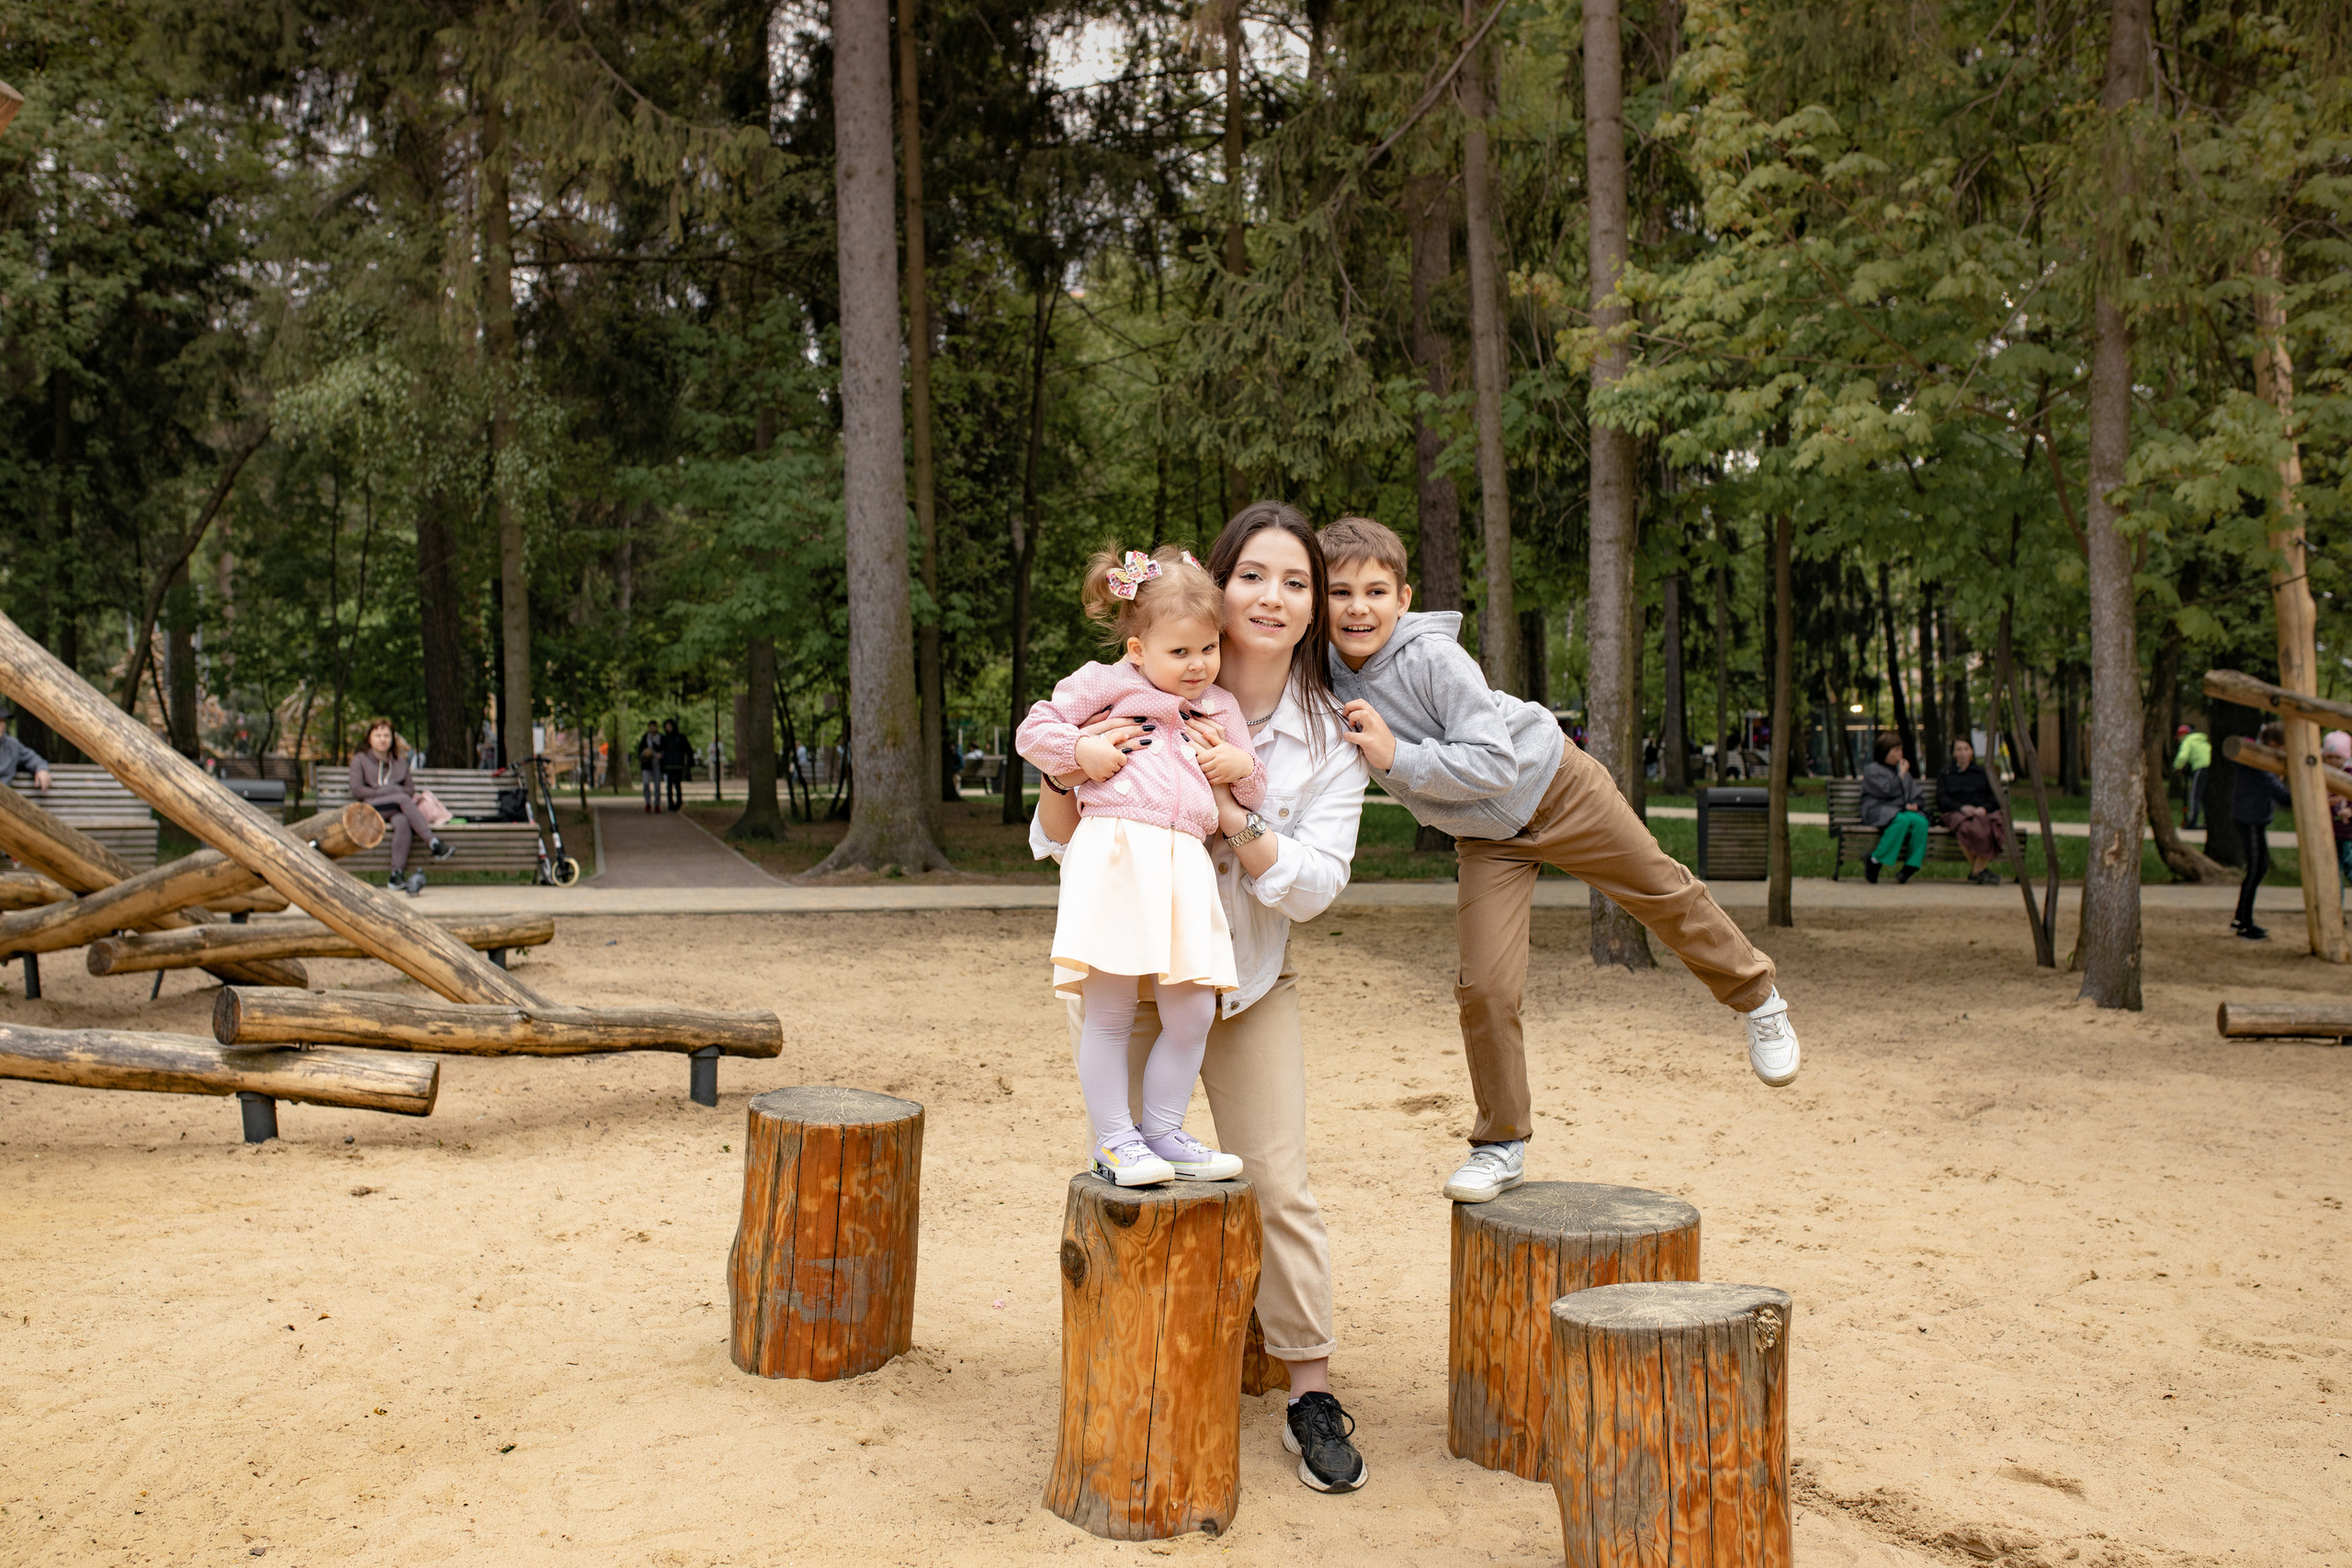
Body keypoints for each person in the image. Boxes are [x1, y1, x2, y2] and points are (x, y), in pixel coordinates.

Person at [1315, 515, 1798, 1211]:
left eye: (1375, 590)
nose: (1358, 607)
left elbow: (1492, 760)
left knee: (1663, 891)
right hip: (1486, 837)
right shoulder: (1321, 674)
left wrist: (1401, 758)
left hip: (1556, 785)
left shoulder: (1432, 659)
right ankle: (1500, 1143)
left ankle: (1759, 999)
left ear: (1404, 597)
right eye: (1340, 592)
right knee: (1484, 985)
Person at [1033, 501, 1371, 1495]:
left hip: (1249, 974)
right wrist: (1072, 763)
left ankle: (1308, 1387)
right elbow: (1055, 835)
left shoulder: (1325, 731)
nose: (1273, 596)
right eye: (1254, 576)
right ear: (1216, 588)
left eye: (1296, 582)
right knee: (1129, 1175)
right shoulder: (1134, 678)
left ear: (1311, 608)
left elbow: (1315, 886)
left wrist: (1234, 812)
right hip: (1133, 960)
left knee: (1278, 1179)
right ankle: (1135, 1377)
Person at [1016, 544, 1268, 1190]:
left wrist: (1240, 769)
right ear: (1138, 650)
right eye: (1179, 652)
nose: (1197, 666)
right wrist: (1083, 748)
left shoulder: (1222, 708)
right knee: (1110, 1012)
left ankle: (1162, 1130)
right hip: (1117, 855)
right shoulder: (1104, 685)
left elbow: (1255, 791)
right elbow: (1033, 731)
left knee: (1192, 1014)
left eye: (1207, 649)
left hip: (1185, 865)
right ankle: (1114, 1139)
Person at [349, 717, 452, 897]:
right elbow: (358, 791)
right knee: (402, 799)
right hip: (370, 809)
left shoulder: (399, 762)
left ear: (392, 739)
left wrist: (394, 792)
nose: (382, 739)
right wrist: (389, 791)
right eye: (378, 735)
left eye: (386, 735)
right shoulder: (360, 760)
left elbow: (410, 789)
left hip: (395, 810)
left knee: (403, 821)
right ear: (369, 738)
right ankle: (433, 842)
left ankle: (396, 876)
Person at [2231, 722, 2294, 939]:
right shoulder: (2260, 766)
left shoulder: (2260, 764)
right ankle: (2244, 922)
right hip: (2251, 819)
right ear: (2274, 744)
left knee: (2257, 868)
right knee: (2257, 869)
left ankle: (2241, 917)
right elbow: (2283, 797)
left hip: (2252, 818)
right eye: (2285, 747)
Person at [1858, 731, 1929, 885]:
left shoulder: (1901, 771)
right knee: (1902, 820)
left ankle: (1911, 866)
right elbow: (1885, 791)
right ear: (1885, 751)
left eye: (1900, 750)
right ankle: (1875, 860)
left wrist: (1915, 804)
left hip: (1897, 811)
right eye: (1896, 750)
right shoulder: (1873, 770)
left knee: (1921, 822)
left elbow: (1915, 793)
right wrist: (1901, 775)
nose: (1900, 754)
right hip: (1876, 810)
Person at [1936, 738, 2007, 884]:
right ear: (1954, 753)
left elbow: (1994, 798)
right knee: (1965, 827)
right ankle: (1980, 871)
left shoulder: (1982, 772)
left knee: (1993, 825)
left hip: (1981, 813)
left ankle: (1977, 871)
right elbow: (1942, 800)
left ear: (1972, 751)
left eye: (1966, 749)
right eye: (1959, 749)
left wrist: (1984, 809)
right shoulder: (1946, 773)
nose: (1963, 753)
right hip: (1957, 812)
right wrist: (1962, 808)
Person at [0, 705, 54, 793]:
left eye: (3, 721)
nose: (2, 725)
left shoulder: (12, 745)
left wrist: (42, 769)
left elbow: (32, 758)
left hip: (5, 800)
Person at [2173, 723, 2211, 829]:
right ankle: (2209, 821)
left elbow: (2182, 757)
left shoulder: (2188, 741)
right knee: (2205, 796)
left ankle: (2192, 822)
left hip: (2200, 768)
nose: (2179, 740)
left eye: (2179, 737)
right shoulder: (2201, 741)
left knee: (2195, 795)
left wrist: (2176, 768)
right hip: (2210, 768)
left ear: (2183, 735)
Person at [658, 718, 691, 811]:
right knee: (669, 785)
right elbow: (662, 751)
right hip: (668, 765)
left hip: (677, 764)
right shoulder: (664, 739)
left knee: (677, 784)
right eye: (666, 726)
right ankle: (670, 804)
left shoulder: (680, 737)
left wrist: (689, 760)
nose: (668, 728)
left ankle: (679, 802)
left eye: (669, 726)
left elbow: (687, 749)